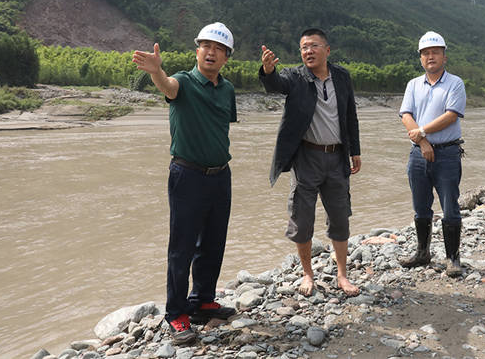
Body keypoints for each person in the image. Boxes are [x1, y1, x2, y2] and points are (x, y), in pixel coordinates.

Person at [132, 22, 238, 345]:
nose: (211, 52)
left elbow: (221, 126)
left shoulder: (227, 90)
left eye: (218, 49)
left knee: (213, 243)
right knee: (182, 247)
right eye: (206, 46)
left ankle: (202, 300)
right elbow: (168, 87)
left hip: (220, 176)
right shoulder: (184, 81)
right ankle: (176, 313)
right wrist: (156, 71)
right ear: (197, 51)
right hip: (188, 175)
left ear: (226, 57)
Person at [259, 28, 362, 297]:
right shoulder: (295, 77)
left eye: (313, 46)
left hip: (337, 157)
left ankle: (342, 275)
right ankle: (308, 274)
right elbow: (275, 85)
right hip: (306, 158)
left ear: (327, 50)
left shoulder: (342, 77)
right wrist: (268, 71)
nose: (308, 51)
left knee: (340, 217)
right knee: (302, 219)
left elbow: (350, 114)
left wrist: (355, 150)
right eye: (304, 47)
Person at [398, 31, 467, 277]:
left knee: (450, 206)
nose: (430, 57)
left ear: (444, 57)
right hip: (418, 154)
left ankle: (452, 258)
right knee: (420, 206)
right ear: (420, 58)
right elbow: (406, 115)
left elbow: (451, 115)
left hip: (447, 154)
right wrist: (423, 142)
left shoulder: (455, 83)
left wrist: (422, 132)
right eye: (426, 53)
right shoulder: (413, 85)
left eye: (435, 52)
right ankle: (422, 253)